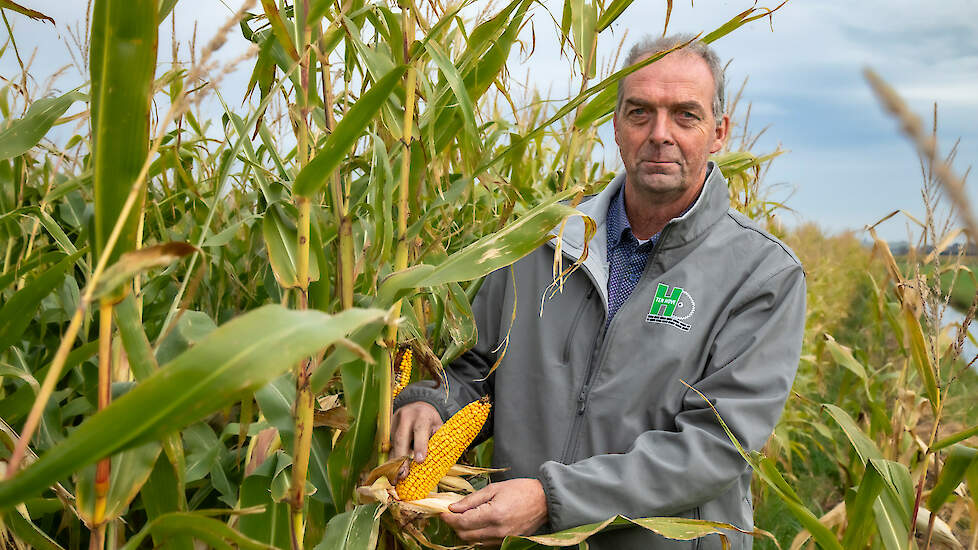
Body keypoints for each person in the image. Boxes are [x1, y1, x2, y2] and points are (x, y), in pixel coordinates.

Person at [392, 34, 806, 550]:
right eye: (640, 113)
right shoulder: (538, 244)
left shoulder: (762, 275)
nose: (660, 134)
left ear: (718, 132)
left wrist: (552, 498)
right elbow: (478, 372)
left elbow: (716, 448)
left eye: (685, 115)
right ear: (616, 125)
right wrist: (432, 405)